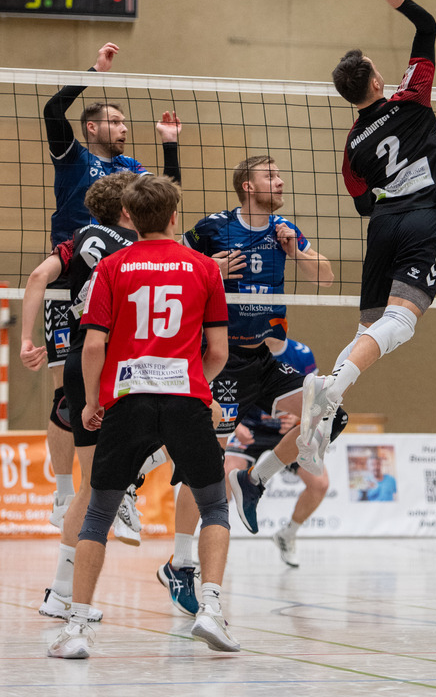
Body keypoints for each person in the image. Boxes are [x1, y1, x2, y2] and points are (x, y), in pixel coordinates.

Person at [47, 175, 239, 659]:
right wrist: (195, 381)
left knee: (98, 514)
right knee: (215, 506)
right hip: (185, 399)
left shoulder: (111, 266)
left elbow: (93, 345)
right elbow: (218, 351)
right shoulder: (203, 268)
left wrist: (92, 402)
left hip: (127, 399)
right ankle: (211, 610)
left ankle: (75, 630)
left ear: (129, 217)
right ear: (175, 216)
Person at [155, 156, 335, 611]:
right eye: (271, 175)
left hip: (266, 357)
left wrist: (298, 251)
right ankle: (179, 563)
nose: (280, 181)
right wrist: (206, 265)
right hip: (222, 358)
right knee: (205, 465)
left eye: (279, 173)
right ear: (247, 186)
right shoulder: (214, 227)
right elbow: (169, 262)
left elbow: (327, 277)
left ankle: (255, 481)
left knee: (328, 410)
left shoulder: (284, 229)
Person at [297, 0, 436, 467]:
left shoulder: (352, 146)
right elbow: (426, 27)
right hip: (425, 216)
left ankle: (325, 415)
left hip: (382, 226)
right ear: (376, 80)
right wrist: (400, 1)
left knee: (371, 330)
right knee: (401, 324)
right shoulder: (410, 99)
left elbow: (364, 203)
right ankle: (330, 387)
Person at [41, 40, 181, 527]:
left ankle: (123, 481)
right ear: (93, 127)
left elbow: (165, 199)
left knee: (130, 387)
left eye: (125, 123)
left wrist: (168, 144)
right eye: (116, 122)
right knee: (67, 394)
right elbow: (52, 108)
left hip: (124, 282)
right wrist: (94, 70)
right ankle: (64, 495)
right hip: (70, 278)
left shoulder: (131, 169)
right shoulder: (73, 157)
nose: (123, 129)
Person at [21, 173, 145, 621]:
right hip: (118, 362)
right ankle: (133, 481)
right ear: (129, 210)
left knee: (94, 486)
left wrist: (26, 339)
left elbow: (38, 276)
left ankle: (60, 593)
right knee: (184, 428)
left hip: (78, 358)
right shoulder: (136, 250)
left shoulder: (81, 236)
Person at [225, 337, 347, 569]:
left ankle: (288, 534)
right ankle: (214, 540)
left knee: (319, 483)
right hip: (250, 426)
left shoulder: (301, 353)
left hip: (286, 430)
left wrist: (298, 417)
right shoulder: (243, 348)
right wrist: (235, 425)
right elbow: (228, 389)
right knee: (228, 472)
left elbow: (314, 400)